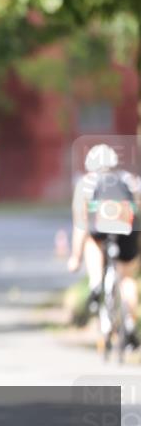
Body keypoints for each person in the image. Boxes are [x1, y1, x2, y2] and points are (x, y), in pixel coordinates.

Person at [67, 143, 141, 349]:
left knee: (92, 241)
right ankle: (129, 323)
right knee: (127, 278)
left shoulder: (86, 183)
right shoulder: (129, 180)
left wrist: (75, 257)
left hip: (99, 227)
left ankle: (96, 282)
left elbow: (80, 224)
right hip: (127, 229)